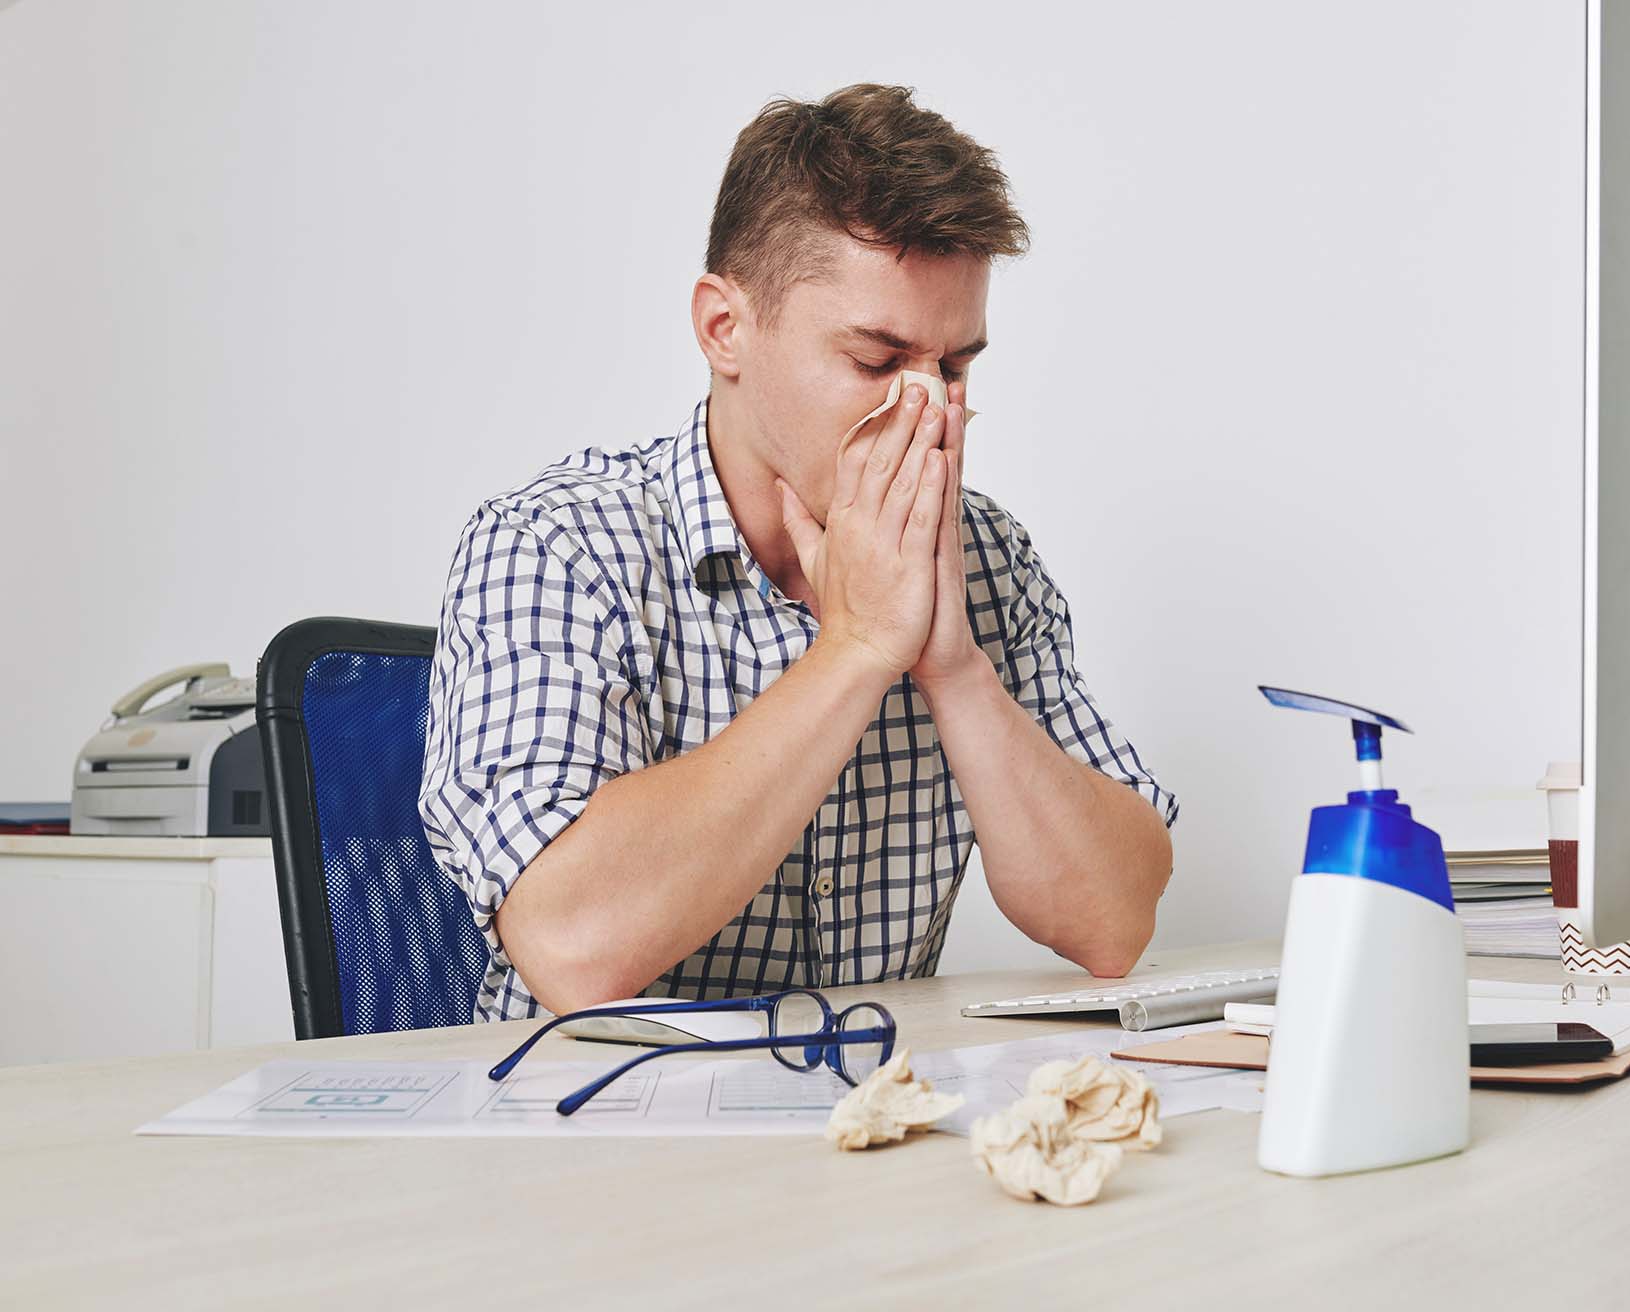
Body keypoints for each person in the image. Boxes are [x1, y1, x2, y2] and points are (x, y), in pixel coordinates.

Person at [419, 83, 1177, 1021]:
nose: (927, 409)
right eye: (874, 359)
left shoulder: (985, 556)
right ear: (723, 329)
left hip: (870, 1125)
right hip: (596, 1125)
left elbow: (1111, 925)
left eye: (954, 365)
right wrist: (855, 649)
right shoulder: (556, 545)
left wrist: (952, 665)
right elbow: (573, 947)